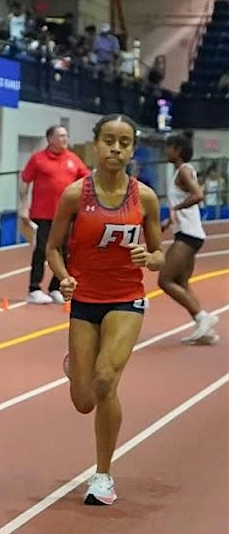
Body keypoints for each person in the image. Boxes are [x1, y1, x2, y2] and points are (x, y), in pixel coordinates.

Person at [47, 114, 164, 507]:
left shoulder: (144, 197)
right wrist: (63, 277)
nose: (116, 149)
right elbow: (52, 248)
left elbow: (159, 253)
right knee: (83, 400)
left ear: (133, 149)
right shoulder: (74, 195)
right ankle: (74, 367)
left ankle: (103, 476)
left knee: (105, 379)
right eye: (109, 141)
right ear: (95, 145)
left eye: (125, 142)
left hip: (126, 299)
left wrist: (150, 258)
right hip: (84, 301)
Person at [159, 132, 218, 346]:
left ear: (177, 150)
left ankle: (202, 317)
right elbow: (189, 197)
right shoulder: (183, 171)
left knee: (165, 280)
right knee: (181, 281)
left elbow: (197, 195)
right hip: (189, 233)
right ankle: (205, 329)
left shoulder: (183, 171)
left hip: (188, 235)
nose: (165, 151)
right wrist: (169, 221)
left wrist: (175, 208)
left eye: (168, 147)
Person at [21, 125, 88, 303]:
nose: (65, 139)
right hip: (43, 214)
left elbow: (87, 180)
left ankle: (55, 287)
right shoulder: (38, 159)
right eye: (60, 136)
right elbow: (25, 182)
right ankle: (34, 289)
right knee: (42, 250)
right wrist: (23, 206)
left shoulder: (73, 159)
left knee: (66, 251)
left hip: (66, 214)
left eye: (66, 136)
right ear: (50, 139)